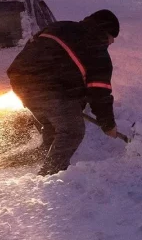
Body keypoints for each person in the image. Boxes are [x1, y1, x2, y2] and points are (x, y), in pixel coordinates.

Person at [6, 9, 120, 176]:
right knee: (72, 130)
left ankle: (40, 160)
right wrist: (108, 124)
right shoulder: (96, 48)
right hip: (48, 87)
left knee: (53, 126)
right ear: (105, 32)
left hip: (20, 80)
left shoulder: (60, 26)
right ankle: (49, 176)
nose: (112, 42)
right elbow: (99, 93)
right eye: (112, 37)